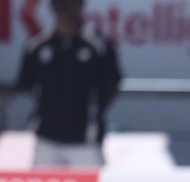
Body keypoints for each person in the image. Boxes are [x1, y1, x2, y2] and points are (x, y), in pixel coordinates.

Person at [15, 0, 121, 168]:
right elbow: (27, 86)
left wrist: (88, 111)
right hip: (46, 140)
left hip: (86, 141)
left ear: (81, 5)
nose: (66, 8)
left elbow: (112, 87)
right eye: (61, 3)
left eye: (71, 3)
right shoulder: (36, 44)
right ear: (53, 6)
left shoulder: (98, 44)